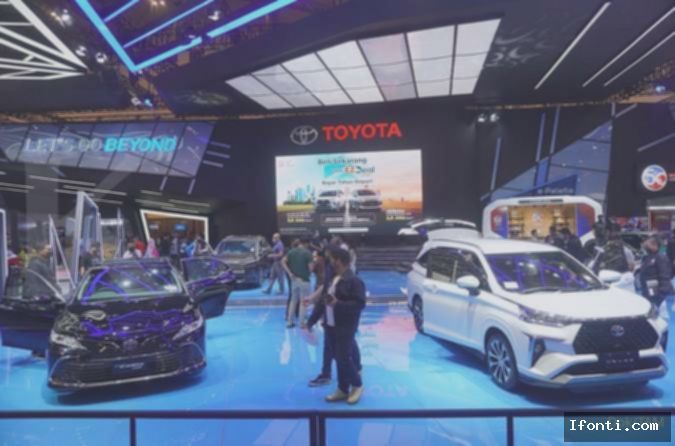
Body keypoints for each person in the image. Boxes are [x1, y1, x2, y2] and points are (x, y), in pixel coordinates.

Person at [324, 248, 366, 404]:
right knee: (338, 358)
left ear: (339, 261)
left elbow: (359, 304)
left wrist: (338, 304)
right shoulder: (334, 278)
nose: (330, 262)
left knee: (343, 358)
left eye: (332, 259)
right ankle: (342, 388)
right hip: (331, 324)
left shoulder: (355, 281)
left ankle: (357, 385)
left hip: (345, 326)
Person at [282, 239, 313, 328]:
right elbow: (311, 268)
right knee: (303, 301)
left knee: (293, 301)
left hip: (294, 279)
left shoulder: (291, 252)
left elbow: (282, 261)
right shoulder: (307, 253)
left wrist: (289, 273)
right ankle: (301, 322)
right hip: (304, 280)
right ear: (306, 244)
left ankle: (289, 322)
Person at [639, 237, 674, 307]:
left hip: (660, 293)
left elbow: (665, 276)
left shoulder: (660, 257)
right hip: (650, 289)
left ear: (655, 245)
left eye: (648, 243)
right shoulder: (646, 258)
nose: (645, 245)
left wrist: (662, 293)